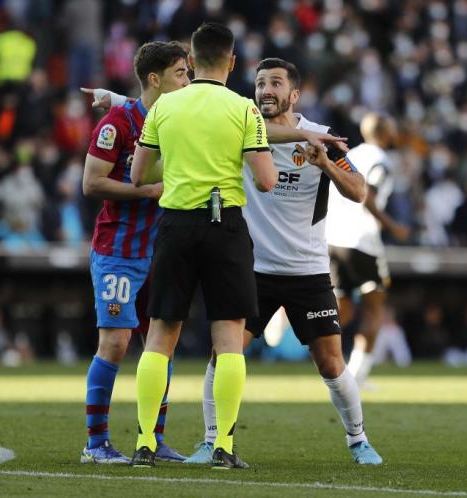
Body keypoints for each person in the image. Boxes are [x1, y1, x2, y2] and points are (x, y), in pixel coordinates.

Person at [183, 58, 383, 466]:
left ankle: (358, 440)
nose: (265, 90)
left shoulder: (321, 138)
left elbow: (360, 191)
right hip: (252, 270)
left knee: (331, 362)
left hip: (308, 271)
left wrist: (326, 163)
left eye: (275, 83)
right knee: (223, 355)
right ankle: (212, 441)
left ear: (294, 94)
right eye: (260, 83)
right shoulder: (241, 129)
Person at [129, 22, 278, 469]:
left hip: (175, 226)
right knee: (229, 340)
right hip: (224, 226)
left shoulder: (165, 108)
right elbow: (267, 181)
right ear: (232, 62)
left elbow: (138, 176)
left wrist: (178, 172)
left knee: (160, 337)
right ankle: (224, 448)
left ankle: (144, 444)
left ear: (190, 62)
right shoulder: (245, 110)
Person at [80, 41, 189, 465]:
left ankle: (153, 439)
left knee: (160, 345)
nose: (188, 81)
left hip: (162, 250)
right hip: (119, 251)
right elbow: (92, 182)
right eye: (180, 73)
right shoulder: (118, 122)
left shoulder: (181, 121)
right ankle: (96, 443)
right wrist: (145, 190)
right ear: (155, 79)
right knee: (115, 343)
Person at [325, 113, 410, 389]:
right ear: (385, 134)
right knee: (374, 307)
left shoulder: (353, 154)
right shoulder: (381, 161)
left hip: (334, 237)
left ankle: (329, 367)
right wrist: (393, 226)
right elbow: (368, 196)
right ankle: (357, 377)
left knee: (343, 310)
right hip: (362, 240)